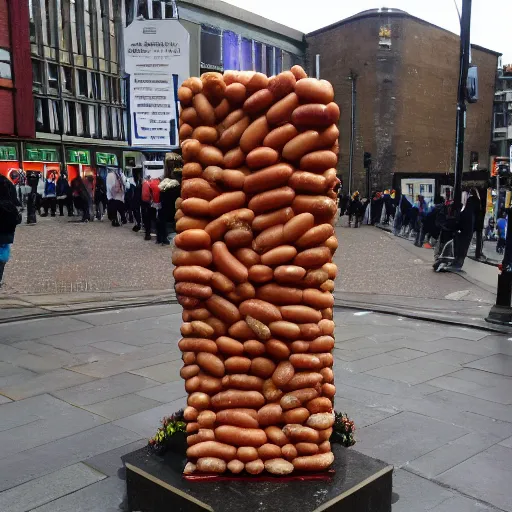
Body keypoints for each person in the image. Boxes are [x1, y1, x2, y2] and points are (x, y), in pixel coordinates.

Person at [0, 175, 21, 286]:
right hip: (6, 230)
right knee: (2, 253)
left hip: (5, 229)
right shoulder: (6, 182)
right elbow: (16, 218)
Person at [158, 153, 182, 245]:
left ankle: (163, 238)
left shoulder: (166, 183)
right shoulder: (175, 182)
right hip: (173, 212)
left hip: (168, 211)